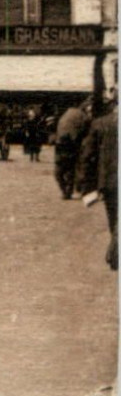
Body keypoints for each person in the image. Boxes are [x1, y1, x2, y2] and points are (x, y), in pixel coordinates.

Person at [78, 97, 117, 271]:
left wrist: (87, 186)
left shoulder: (100, 124)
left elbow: (87, 157)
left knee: (115, 218)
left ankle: (116, 249)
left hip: (110, 183)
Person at [55, 101, 92, 198]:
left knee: (61, 172)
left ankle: (67, 191)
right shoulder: (83, 116)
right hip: (71, 146)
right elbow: (87, 131)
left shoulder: (66, 115)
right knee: (71, 171)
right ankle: (69, 190)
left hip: (63, 146)